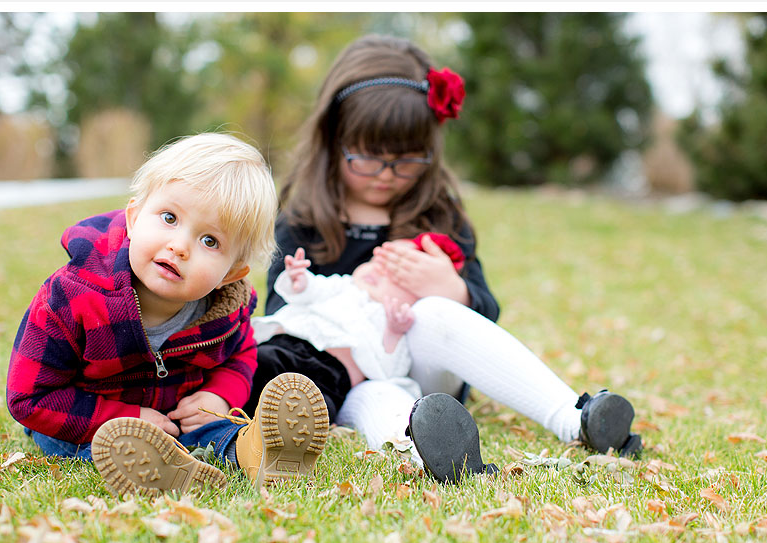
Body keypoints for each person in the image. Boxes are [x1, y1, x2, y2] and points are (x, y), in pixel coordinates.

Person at [246, 34, 640, 484]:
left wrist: (450, 286)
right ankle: (434, 449)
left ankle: (576, 418)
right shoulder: (304, 217)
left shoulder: (438, 214)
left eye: (406, 160)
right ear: (334, 140)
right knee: (379, 403)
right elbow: (280, 318)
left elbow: (486, 312)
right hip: (350, 380)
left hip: (428, 362)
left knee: (432, 312)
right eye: (368, 158)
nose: (387, 175)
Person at [5, 132, 329, 496]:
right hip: (88, 420)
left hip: (178, 417)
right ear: (133, 217)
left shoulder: (225, 310)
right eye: (169, 217)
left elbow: (242, 355)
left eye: (210, 241)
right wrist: (124, 418)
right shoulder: (73, 298)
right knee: (82, 441)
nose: (180, 246)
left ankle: (257, 454)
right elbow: (28, 397)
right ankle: (156, 463)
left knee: (214, 430)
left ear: (231, 274)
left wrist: (219, 397)